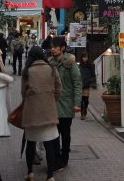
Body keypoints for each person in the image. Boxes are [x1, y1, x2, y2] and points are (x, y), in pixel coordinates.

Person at [21, 46, 62, 181]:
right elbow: (58, 88)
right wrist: (50, 100)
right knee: (49, 143)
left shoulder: (27, 71)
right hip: (48, 111)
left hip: (32, 112)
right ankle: (50, 175)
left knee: (30, 143)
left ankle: (30, 173)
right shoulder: (51, 69)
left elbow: (23, 92)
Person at [49, 36, 82, 172]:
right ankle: (56, 159)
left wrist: (77, 103)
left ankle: (64, 158)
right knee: (54, 133)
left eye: (55, 47)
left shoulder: (69, 62)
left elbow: (77, 83)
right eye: (51, 47)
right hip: (53, 103)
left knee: (65, 132)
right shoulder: (50, 63)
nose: (52, 49)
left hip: (67, 103)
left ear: (62, 48)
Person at [78, 52, 95, 120]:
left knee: (86, 100)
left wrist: (89, 80)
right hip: (80, 85)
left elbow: (93, 76)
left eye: (86, 57)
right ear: (82, 58)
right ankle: (82, 113)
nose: (85, 59)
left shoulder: (90, 66)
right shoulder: (80, 66)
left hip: (87, 85)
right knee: (81, 100)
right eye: (84, 57)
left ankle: (85, 108)